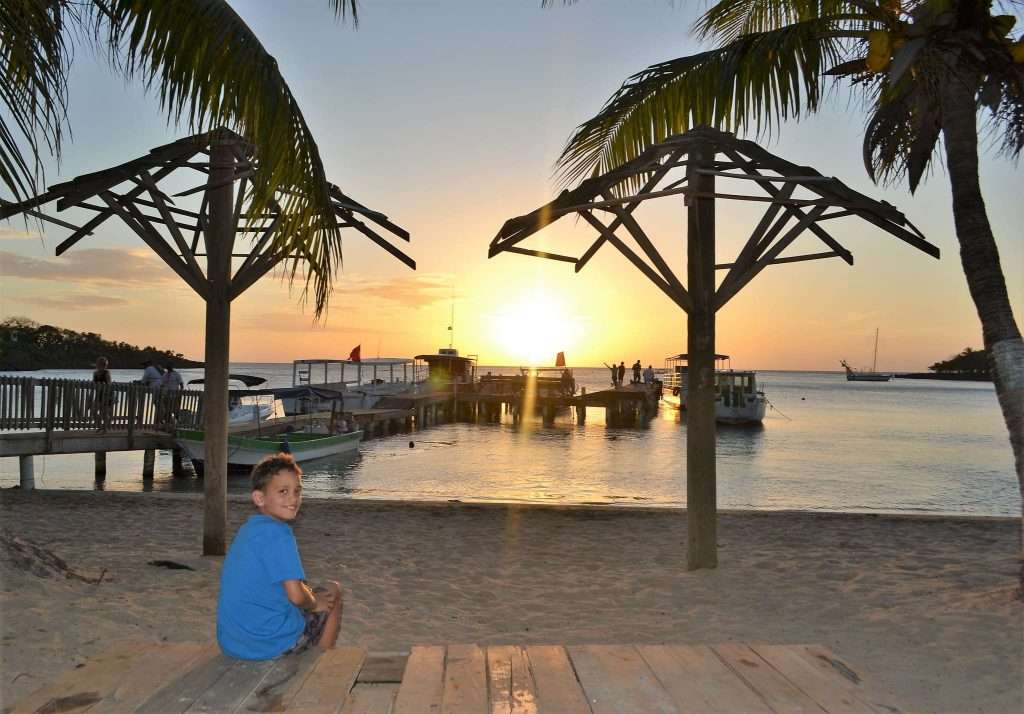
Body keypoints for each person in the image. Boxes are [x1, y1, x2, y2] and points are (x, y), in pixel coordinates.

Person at [217, 454, 343, 660]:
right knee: (333, 590)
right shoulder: (280, 535)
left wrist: (307, 595)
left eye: (297, 491)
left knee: (304, 592)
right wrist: (314, 603)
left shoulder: (249, 529)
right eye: (283, 492)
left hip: (233, 644)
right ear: (259, 498)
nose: (293, 498)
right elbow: (295, 595)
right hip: (271, 645)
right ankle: (320, 660)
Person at [92, 356, 112, 433]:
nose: (99, 366)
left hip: (107, 395)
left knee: (104, 413)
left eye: (102, 364)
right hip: (98, 395)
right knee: (94, 411)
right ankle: (100, 426)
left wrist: (107, 396)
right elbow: (94, 384)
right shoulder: (95, 373)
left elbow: (109, 384)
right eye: (98, 364)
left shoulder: (107, 373)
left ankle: (105, 428)